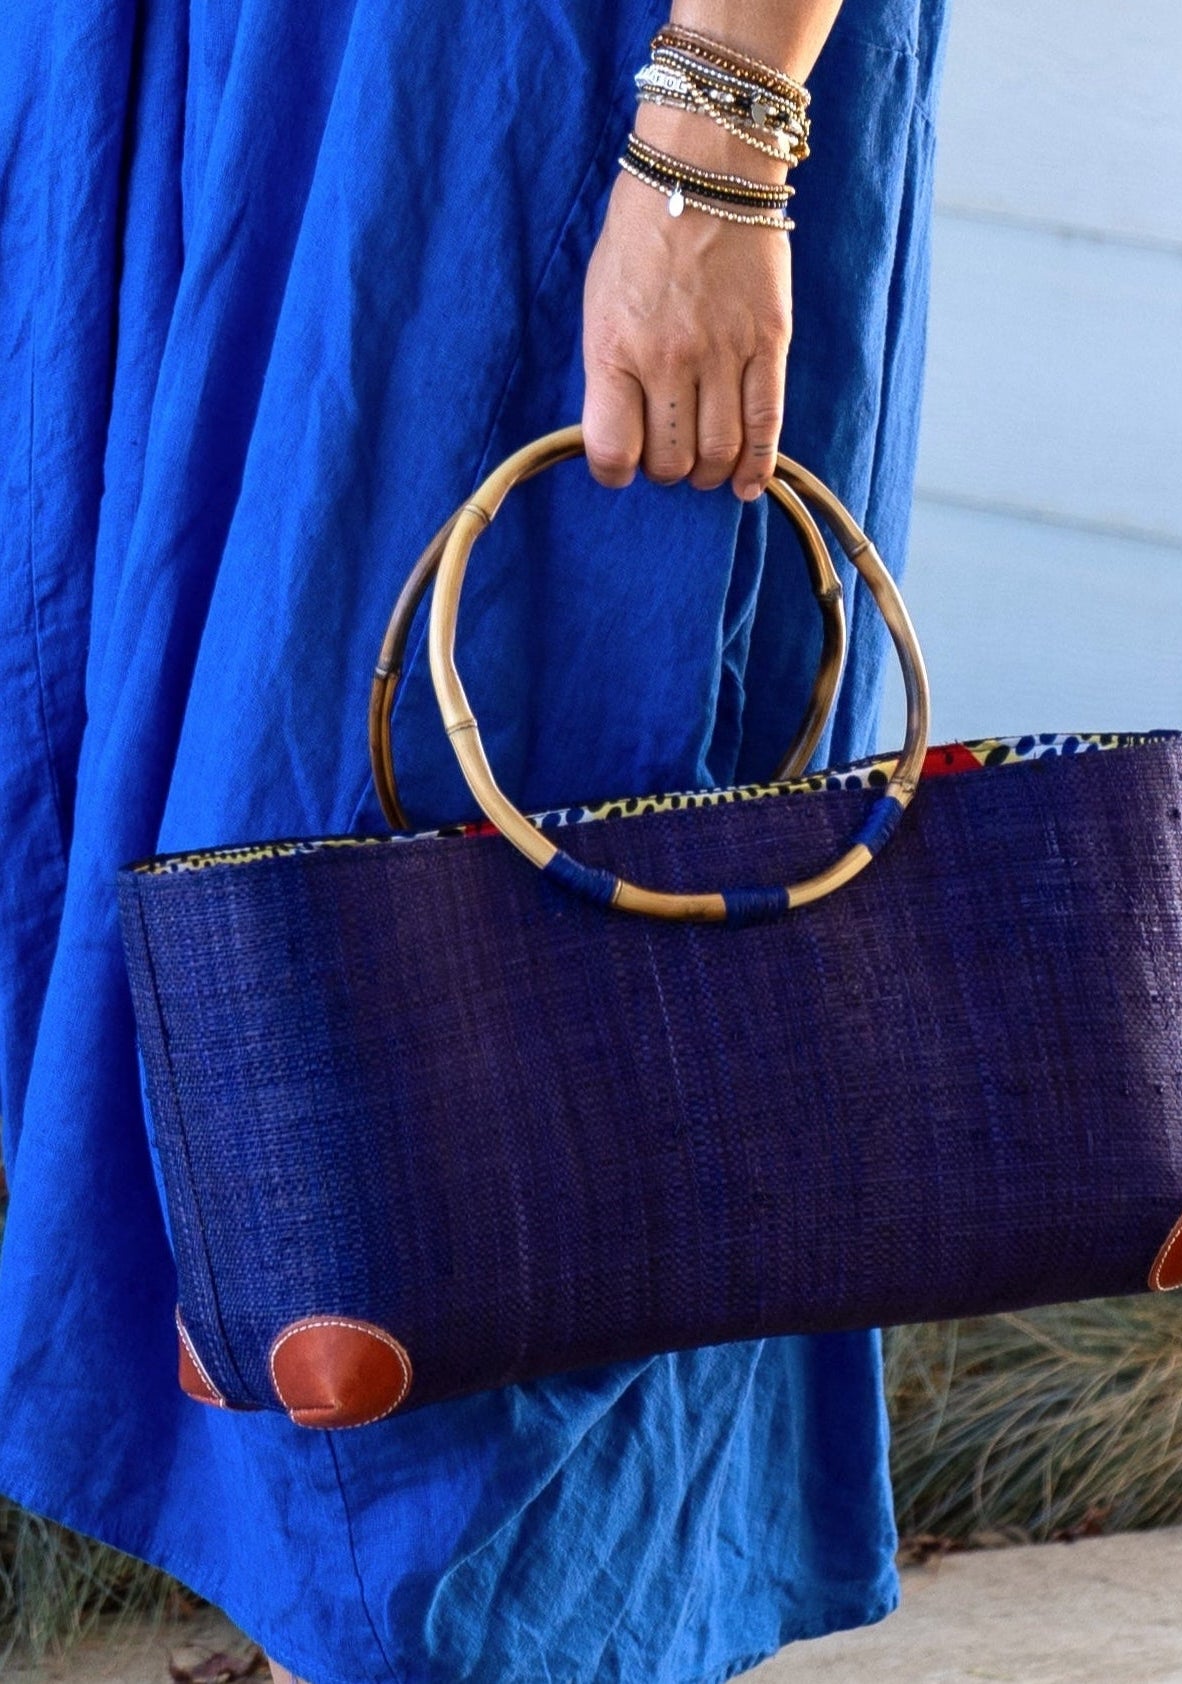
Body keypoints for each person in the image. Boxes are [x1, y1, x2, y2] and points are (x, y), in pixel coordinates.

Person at [0, 1, 948, 1679]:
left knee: (484, 928)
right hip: (228, 71)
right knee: (191, 897)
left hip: (542, 94)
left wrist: (717, 133)